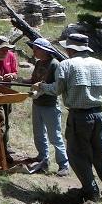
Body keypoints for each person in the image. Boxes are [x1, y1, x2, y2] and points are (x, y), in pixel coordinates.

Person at [32, 33, 102, 203]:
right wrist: (98, 93)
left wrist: (42, 86)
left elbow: (56, 90)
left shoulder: (66, 65)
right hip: (98, 114)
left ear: (70, 49)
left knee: (77, 154)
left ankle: (90, 191)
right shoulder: (100, 64)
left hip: (79, 116)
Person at [23, 38, 69, 176]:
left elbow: (57, 87)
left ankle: (63, 165)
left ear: (44, 50)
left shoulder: (55, 64)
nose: (34, 51)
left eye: (36, 49)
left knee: (54, 136)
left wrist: (41, 87)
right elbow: (33, 81)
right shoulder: (38, 63)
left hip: (50, 105)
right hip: (37, 103)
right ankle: (43, 159)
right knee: (38, 134)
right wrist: (19, 80)